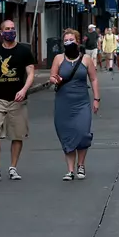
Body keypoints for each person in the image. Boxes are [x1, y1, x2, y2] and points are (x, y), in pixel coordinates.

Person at [0, 19, 35, 182]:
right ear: (1, 32)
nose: (10, 31)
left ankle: (13, 167)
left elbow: (31, 73)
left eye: (13, 28)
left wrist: (24, 90)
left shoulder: (24, 51)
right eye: (7, 29)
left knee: (17, 135)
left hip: (17, 99)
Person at [49, 28, 101, 180]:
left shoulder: (86, 59)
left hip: (81, 102)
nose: (68, 43)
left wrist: (96, 99)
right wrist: (55, 79)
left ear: (77, 42)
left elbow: (94, 79)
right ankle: (70, 170)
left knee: (83, 133)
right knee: (67, 134)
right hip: (63, 103)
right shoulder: (58, 59)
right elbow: (52, 76)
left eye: (71, 40)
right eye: (66, 41)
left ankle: (81, 165)